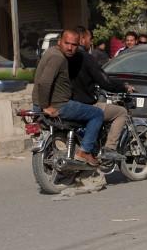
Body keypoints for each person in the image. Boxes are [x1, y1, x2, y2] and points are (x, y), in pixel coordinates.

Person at [32, 29, 105, 166]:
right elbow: (45, 82)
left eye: (74, 45)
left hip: (43, 104)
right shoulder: (58, 58)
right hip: (59, 105)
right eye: (67, 43)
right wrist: (46, 106)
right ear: (59, 41)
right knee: (97, 114)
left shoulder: (51, 52)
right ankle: (85, 151)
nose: (70, 48)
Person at [69, 39, 134, 161]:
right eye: (90, 38)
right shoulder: (86, 58)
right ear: (83, 39)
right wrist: (123, 87)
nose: (91, 42)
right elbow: (104, 81)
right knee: (121, 112)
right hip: (83, 105)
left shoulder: (62, 57)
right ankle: (109, 148)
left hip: (66, 104)